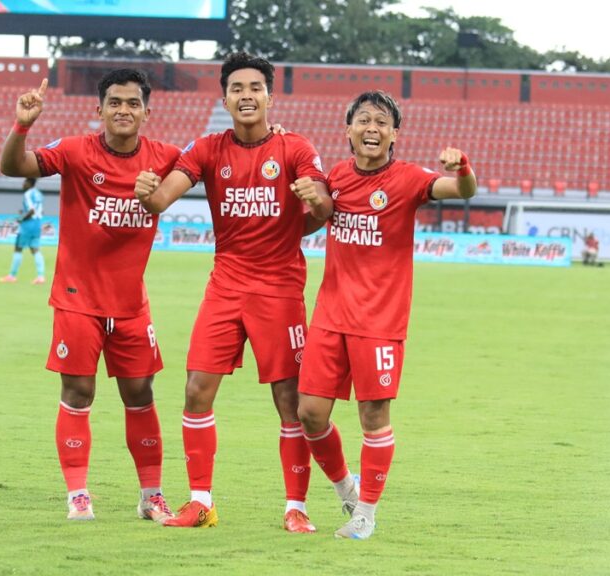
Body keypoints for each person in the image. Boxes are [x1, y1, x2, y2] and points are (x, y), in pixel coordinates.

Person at [135, 52, 333, 532]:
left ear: (269, 95)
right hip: (225, 286)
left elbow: (324, 208)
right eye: (237, 89)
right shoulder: (207, 148)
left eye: (255, 88)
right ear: (224, 98)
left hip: (280, 290)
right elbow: (162, 197)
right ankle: (201, 502)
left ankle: (296, 507)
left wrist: (317, 202)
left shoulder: (296, 149)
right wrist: (146, 192)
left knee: (289, 402)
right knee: (196, 390)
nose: (246, 96)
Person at [0, 69, 180, 522]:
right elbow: (12, 167)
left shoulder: (166, 158)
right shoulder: (75, 150)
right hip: (77, 300)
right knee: (78, 391)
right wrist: (22, 125)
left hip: (132, 304)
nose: (123, 110)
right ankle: (78, 493)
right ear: (97, 109)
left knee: (140, 394)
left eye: (132, 103)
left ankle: (151, 495)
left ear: (147, 112)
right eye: (114, 102)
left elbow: (219, 160)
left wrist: (270, 134)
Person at [296, 91, 476, 539]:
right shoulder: (336, 175)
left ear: (394, 133)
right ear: (349, 130)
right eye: (363, 120)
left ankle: (366, 515)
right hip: (329, 316)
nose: (371, 127)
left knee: (373, 418)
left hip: (379, 322)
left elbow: (459, 190)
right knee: (310, 415)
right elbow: (313, 199)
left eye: (381, 121)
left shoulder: (409, 178)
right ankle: (347, 491)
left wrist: (464, 169)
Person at [0, 177, 45, 284]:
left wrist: (21, 218)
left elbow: (31, 210)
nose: (23, 184)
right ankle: (41, 277)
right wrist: (24, 213)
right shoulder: (39, 194)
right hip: (38, 223)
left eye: (25, 182)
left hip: (28, 224)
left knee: (18, 248)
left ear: (30, 182)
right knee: (35, 249)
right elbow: (39, 210)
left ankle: (12, 276)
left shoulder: (28, 194)